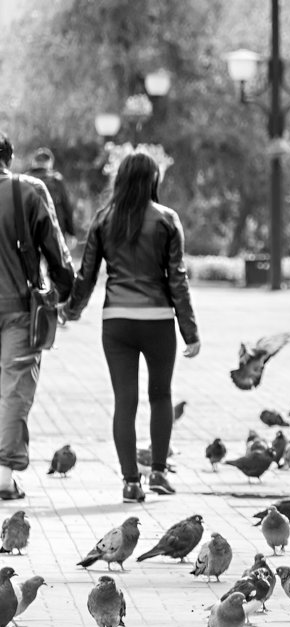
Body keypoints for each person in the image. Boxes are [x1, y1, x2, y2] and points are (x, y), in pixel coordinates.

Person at [62, 151, 200, 503]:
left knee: (125, 400)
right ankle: (157, 472)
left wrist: (73, 310)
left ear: (119, 180)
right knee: (161, 395)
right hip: (157, 322)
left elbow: (87, 275)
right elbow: (177, 280)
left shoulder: (104, 219)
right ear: (153, 180)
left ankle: (130, 482)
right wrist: (190, 332)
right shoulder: (167, 219)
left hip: (117, 322)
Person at [0, 132, 74, 500]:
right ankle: (3, 474)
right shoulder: (27, 191)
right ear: (9, 158)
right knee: (14, 388)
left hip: (15, 307)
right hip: (17, 308)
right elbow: (57, 252)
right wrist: (65, 292)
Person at [25, 147, 76, 241]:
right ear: (50, 163)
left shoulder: (24, 180)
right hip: (55, 233)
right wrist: (71, 232)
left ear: (34, 162)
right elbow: (67, 207)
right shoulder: (56, 180)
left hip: (30, 233)